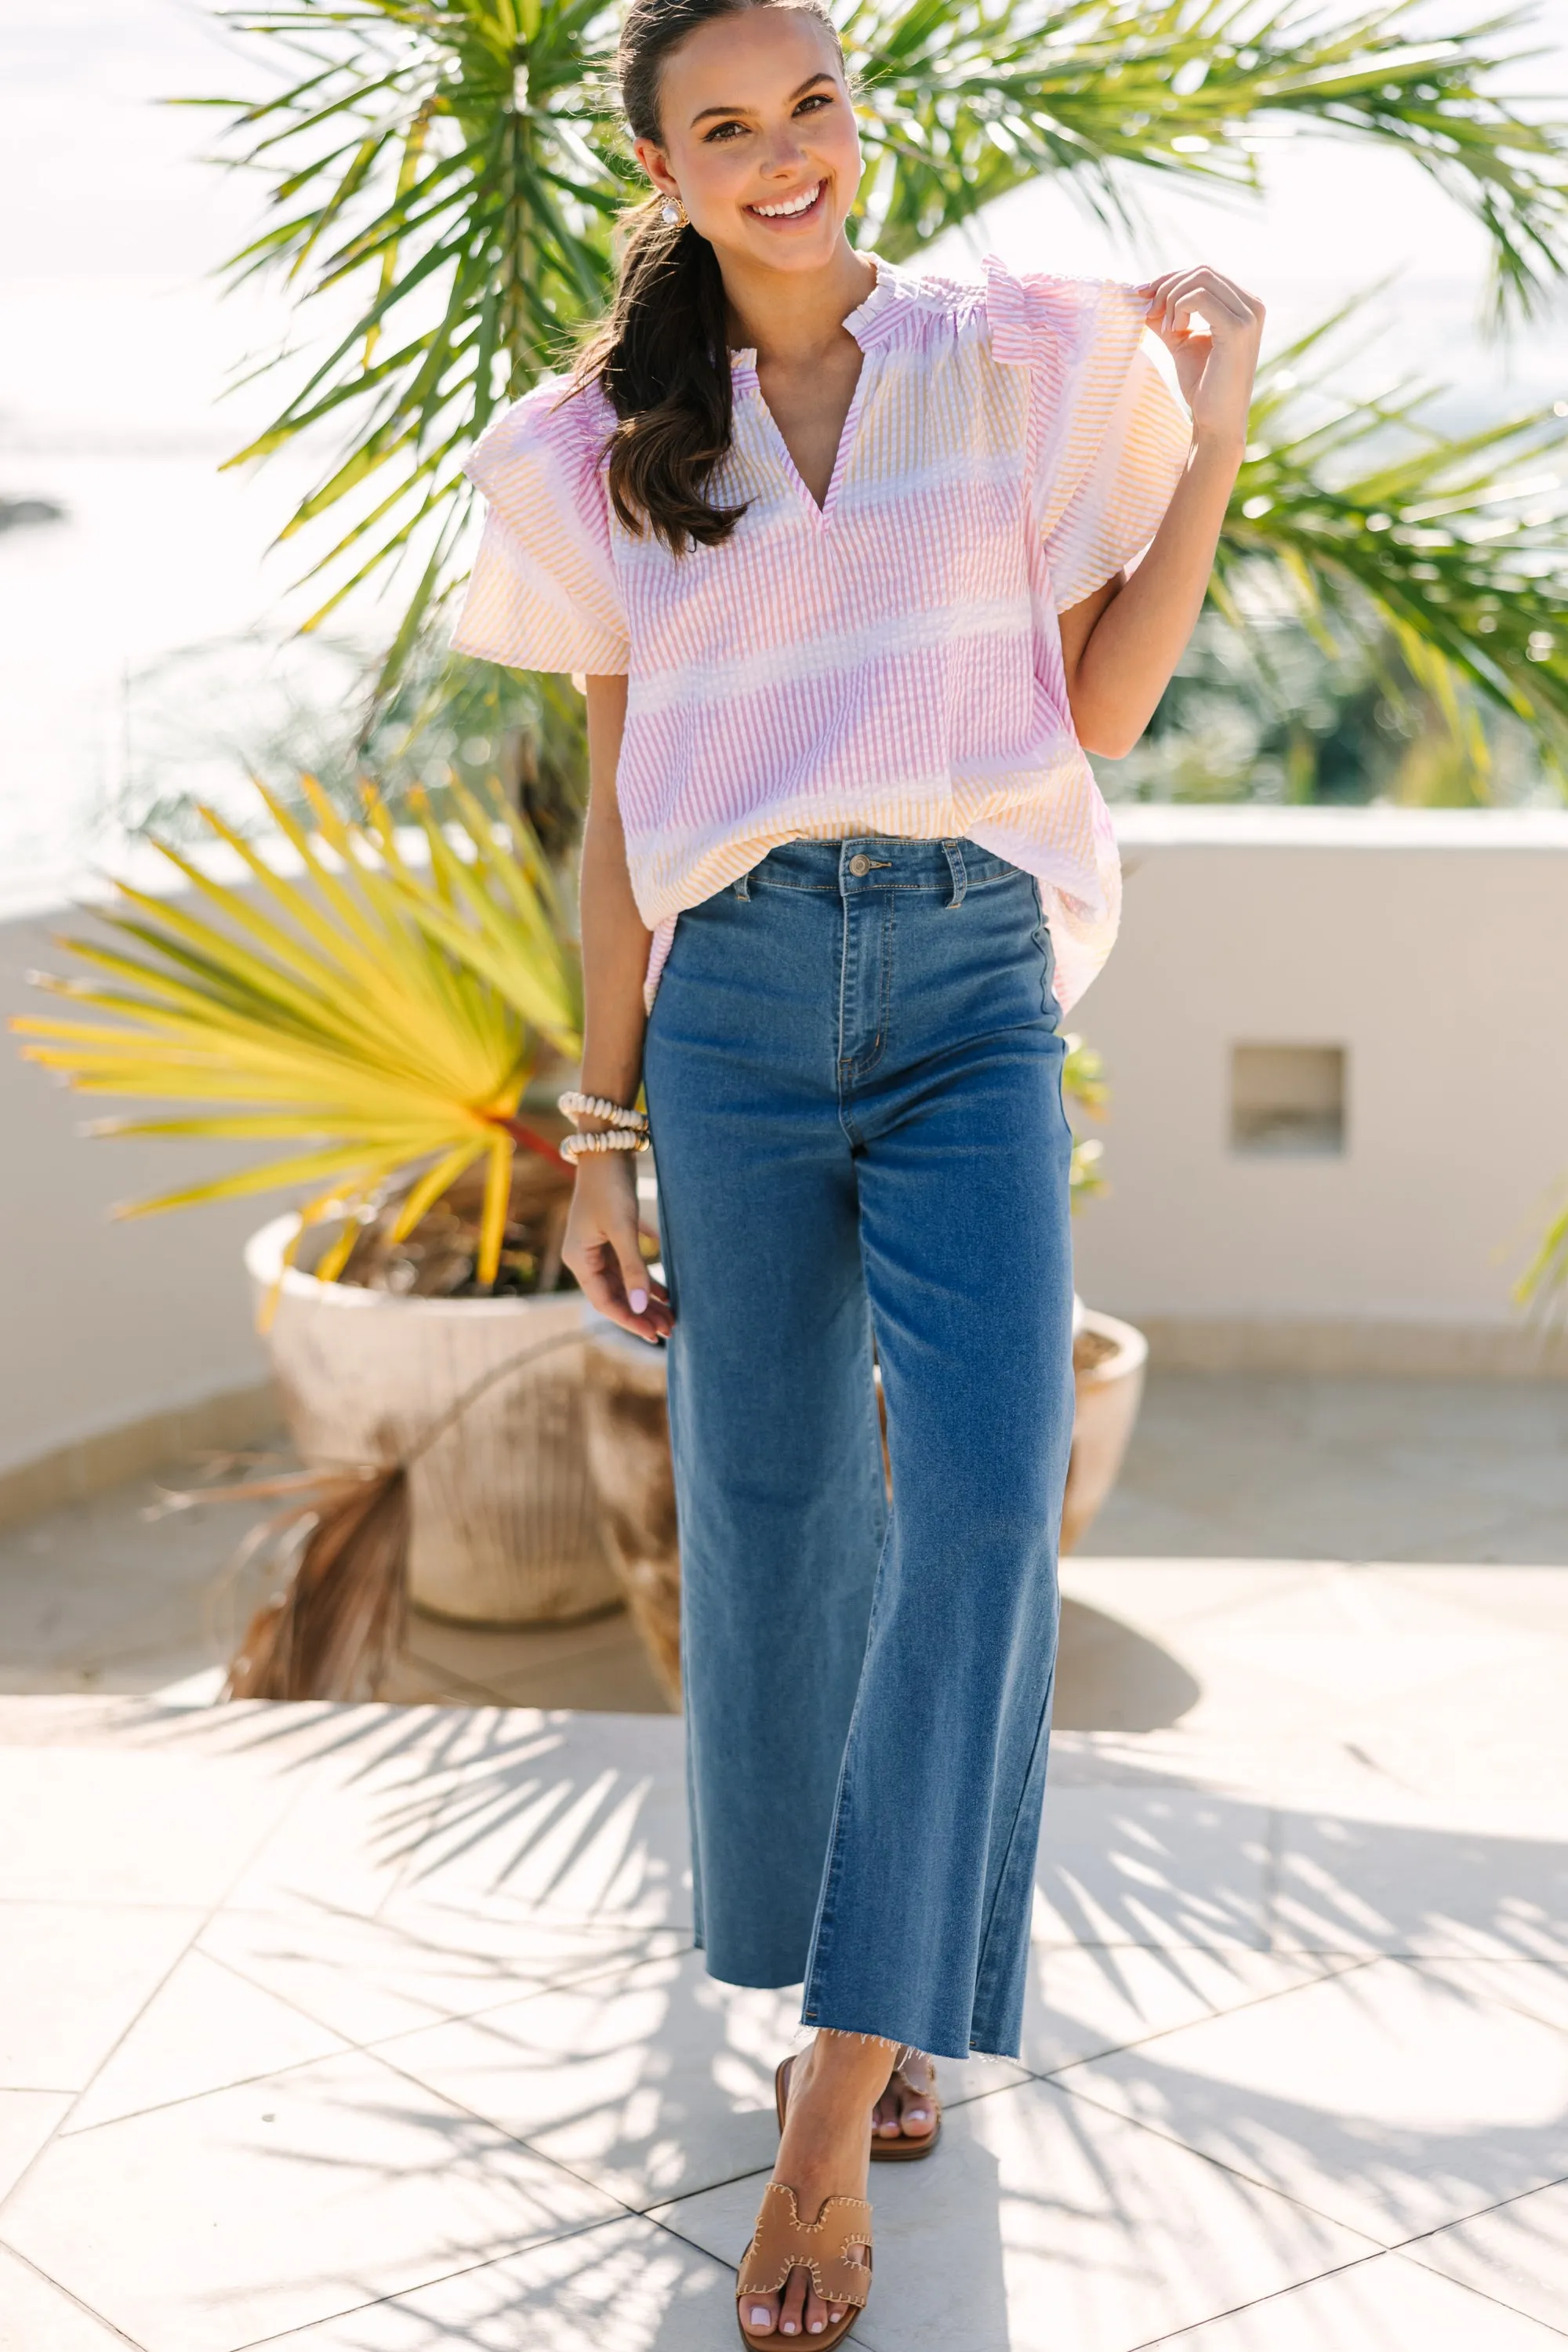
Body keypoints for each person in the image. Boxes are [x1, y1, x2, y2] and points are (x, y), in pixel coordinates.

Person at [452, 0, 1261, 2336]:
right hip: (721, 1014)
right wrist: (593, 1126)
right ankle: (873, 1989)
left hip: (971, 979)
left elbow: (1093, 714)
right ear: (671, 172)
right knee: (784, 1509)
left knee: (992, 1491)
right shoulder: (598, 450)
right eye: (731, 126)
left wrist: (1207, 444)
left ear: (851, 113)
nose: (790, 150)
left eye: (814, 99)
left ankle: (834, 2094)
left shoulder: (1016, 362)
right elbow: (621, 822)